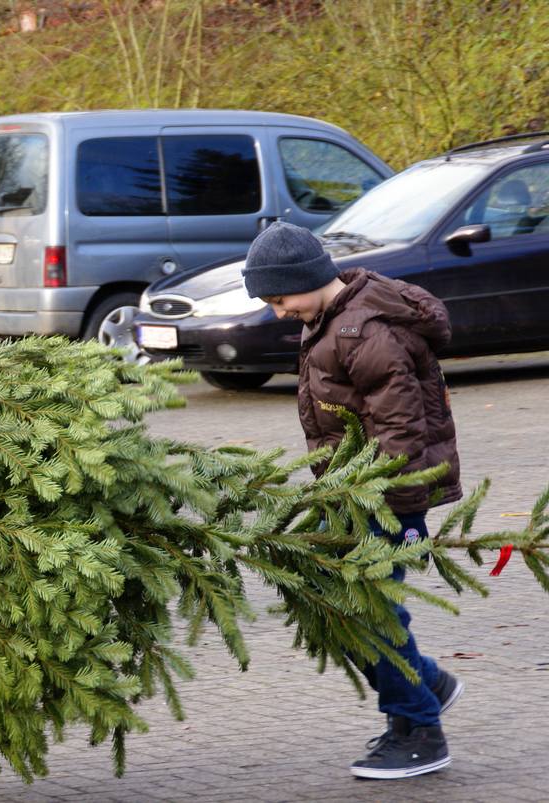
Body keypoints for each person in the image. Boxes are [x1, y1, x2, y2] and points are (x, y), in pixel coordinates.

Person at [241, 221, 465, 780]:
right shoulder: (329, 319)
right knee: (356, 604)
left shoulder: (363, 331)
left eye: (278, 298)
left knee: (366, 611)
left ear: (308, 278)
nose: (277, 311)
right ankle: (425, 685)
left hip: (386, 494)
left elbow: (400, 428)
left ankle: (420, 728)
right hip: (354, 490)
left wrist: (385, 499)